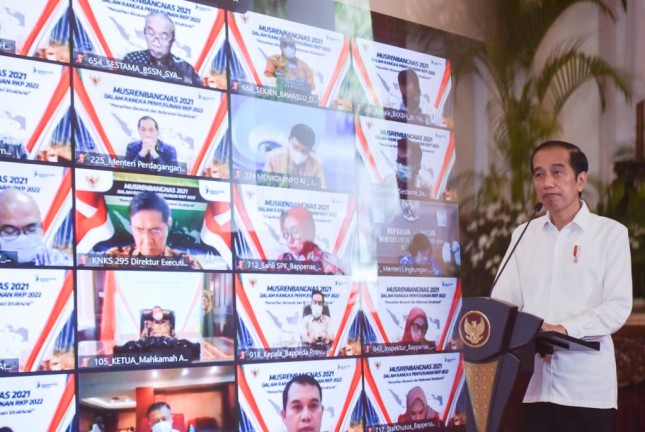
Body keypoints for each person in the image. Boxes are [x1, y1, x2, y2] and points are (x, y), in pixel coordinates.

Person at [491, 140, 632, 432]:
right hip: (531, 386)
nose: (547, 182)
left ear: (581, 180)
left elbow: (618, 307)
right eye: (539, 174)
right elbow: (502, 299)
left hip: (587, 391)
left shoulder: (610, 234)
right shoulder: (524, 234)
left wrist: (565, 328)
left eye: (557, 172)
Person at [103, 191, 201, 268]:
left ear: (168, 224)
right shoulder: (113, 259)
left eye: (155, 231)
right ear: (131, 227)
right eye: (139, 230)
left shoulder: (188, 264)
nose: (147, 241)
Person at [123, 12, 202, 86]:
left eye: (163, 36)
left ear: (172, 40)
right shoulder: (131, 59)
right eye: (151, 33)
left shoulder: (185, 68)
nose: (156, 42)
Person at [0, 189, 72, 266]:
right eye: (10, 231)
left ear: (41, 228)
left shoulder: (60, 263)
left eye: (31, 229)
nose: (23, 239)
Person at [277, 207, 343, 274]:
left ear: (308, 231)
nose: (290, 239)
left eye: (295, 231)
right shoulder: (282, 261)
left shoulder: (328, 264)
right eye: (285, 232)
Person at [263, 123, 326, 188]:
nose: (299, 154)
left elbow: (322, 189)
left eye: (304, 151)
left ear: (310, 150)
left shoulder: (317, 164)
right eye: (296, 147)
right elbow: (263, 185)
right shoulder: (273, 157)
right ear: (289, 139)